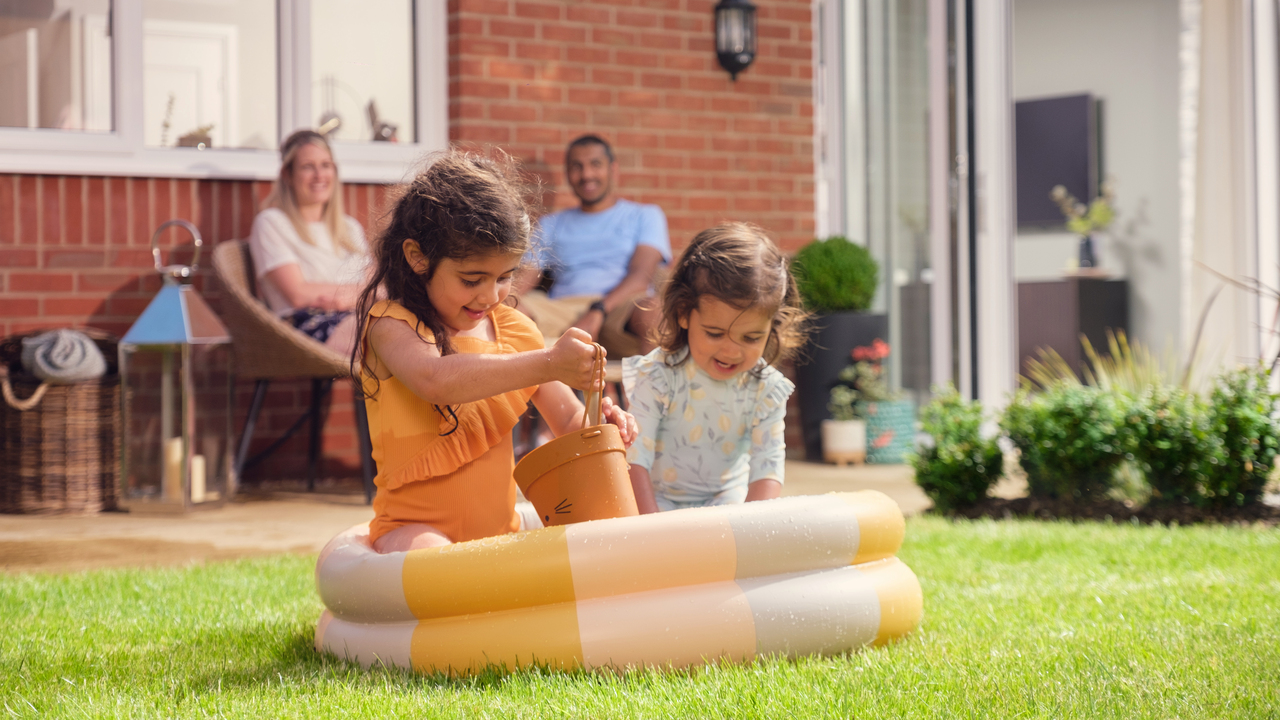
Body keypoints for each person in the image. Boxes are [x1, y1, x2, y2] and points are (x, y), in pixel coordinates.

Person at [351, 151, 639, 554]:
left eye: (505, 277)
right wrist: (549, 361)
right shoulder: (391, 325)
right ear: (418, 257)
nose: (490, 295)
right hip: (411, 528)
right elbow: (435, 379)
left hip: (500, 533)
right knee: (433, 562)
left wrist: (603, 425)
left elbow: (569, 420)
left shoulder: (517, 331)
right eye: (472, 279)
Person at [622, 223, 809, 513]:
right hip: (655, 503)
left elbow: (767, 468)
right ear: (684, 313)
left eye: (751, 337)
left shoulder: (765, 388)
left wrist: (752, 529)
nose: (731, 351)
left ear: (773, 326)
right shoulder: (658, 376)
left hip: (725, 505)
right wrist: (652, 527)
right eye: (715, 333)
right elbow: (635, 459)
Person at [514, 135, 670, 358]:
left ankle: (652, 393)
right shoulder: (551, 224)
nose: (586, 174)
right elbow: (525, 278)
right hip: (562, 309)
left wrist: (598, 310)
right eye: (577, 167)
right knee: (511, 311)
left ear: (613, 169)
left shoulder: (645, 215)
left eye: (595, 164)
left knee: (655, 312)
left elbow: (641, 276)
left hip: (620, 308)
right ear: (568, 173)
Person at [248, 129, 369, 354]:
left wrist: (344, 299)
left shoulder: (350, 228)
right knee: (389, 338)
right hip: (307, 326)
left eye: (325, 165)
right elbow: (298, 294)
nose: (319, 175)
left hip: (359, 317)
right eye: (307, 167)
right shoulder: (271, 223)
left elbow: (379, 285)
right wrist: (361, 294)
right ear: (287, 175)